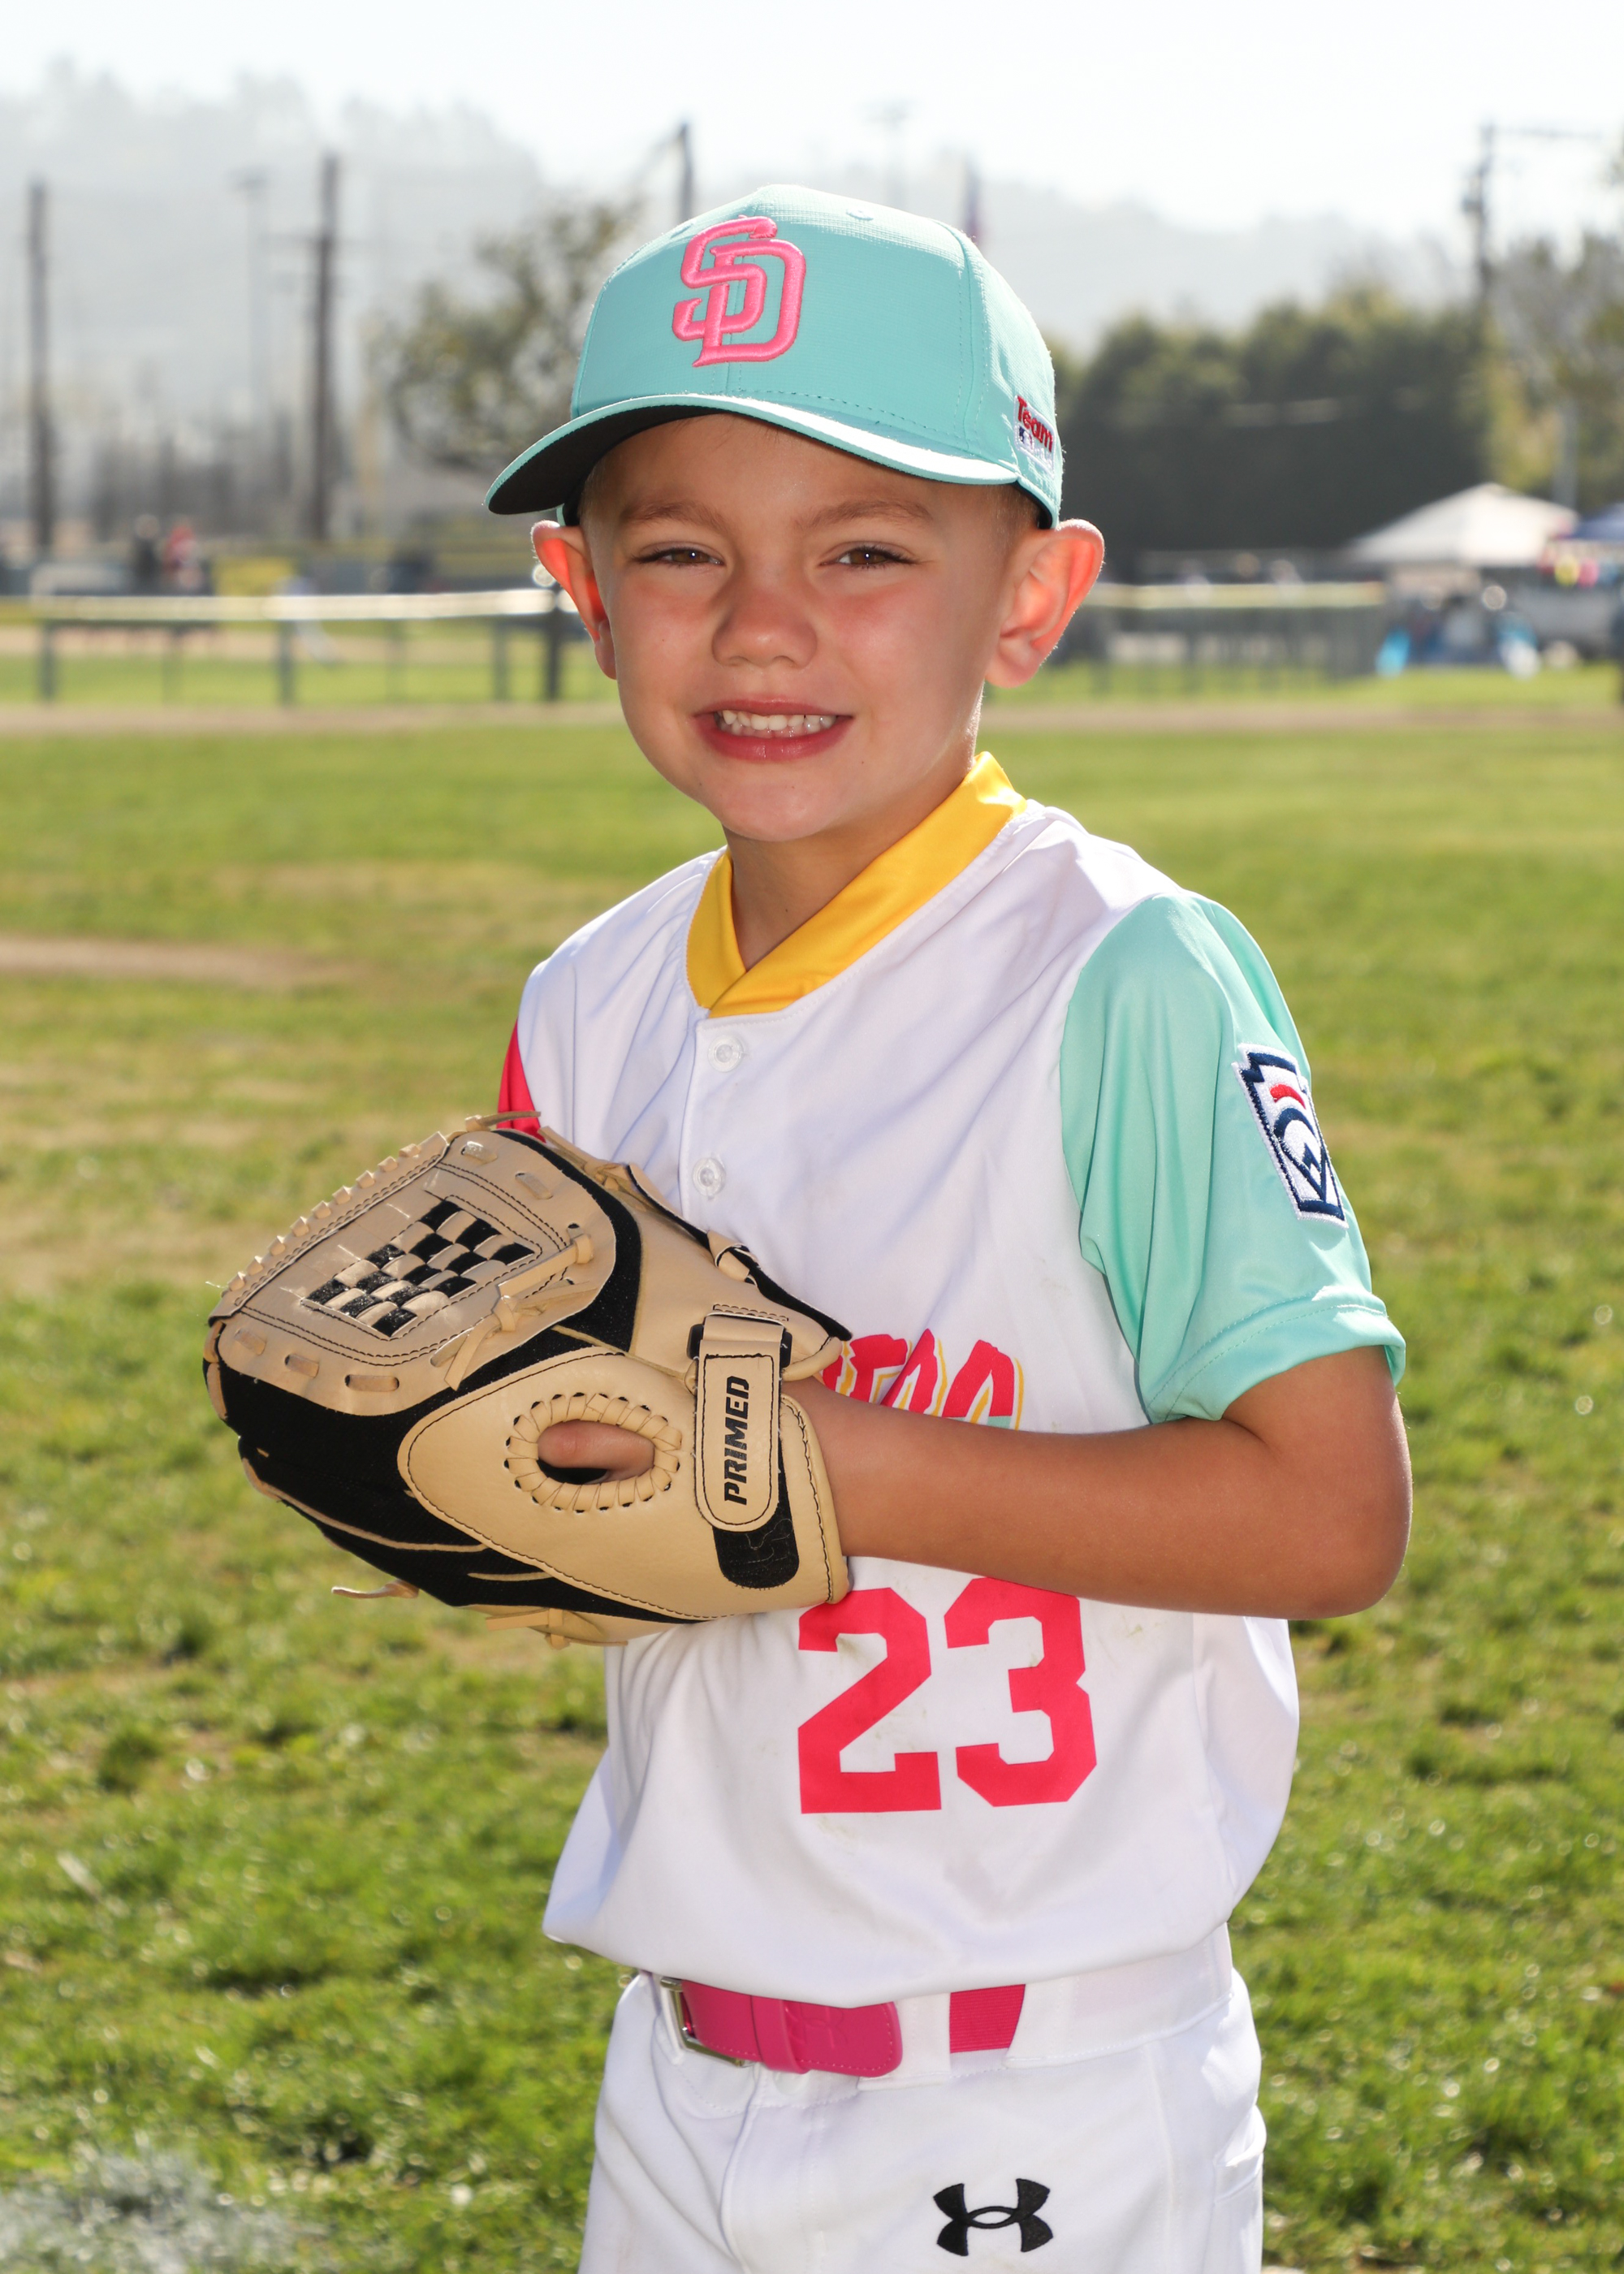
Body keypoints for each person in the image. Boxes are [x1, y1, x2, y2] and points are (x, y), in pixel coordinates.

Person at [484, 188, 1410, 2273]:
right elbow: (617, 1546)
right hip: (683, 2066)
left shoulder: (1120, 977)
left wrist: (829, 1460)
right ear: (580, 588)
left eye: (866, 552)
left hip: (1036, 2077)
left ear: (1033, 596)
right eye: (680, 551)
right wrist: (482, 1487)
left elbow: (1328, 1513)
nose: (763, 626)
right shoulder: (587, 1007)